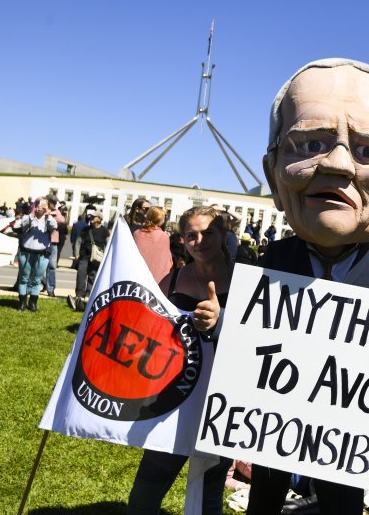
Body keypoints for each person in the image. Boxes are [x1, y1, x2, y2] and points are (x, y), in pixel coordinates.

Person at [239, 58, 369, 515]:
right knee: (266, 497)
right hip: (274, 421)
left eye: (368, 151)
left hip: (347, 430)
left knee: (342, 503)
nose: (338, 164)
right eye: (311, 144)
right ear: (272, 171)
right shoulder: (275, 259)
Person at [127, 206, 232, 515]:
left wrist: (221, 320)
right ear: (183, 240)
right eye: (191, 235)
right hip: (175, 396)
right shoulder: (171, 282)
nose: (200, 241)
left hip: (221, 403)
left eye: (208, 233)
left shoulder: (247, 282)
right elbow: (148, 331)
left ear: (224, 234)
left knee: (208, 493)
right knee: (147, 488)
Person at [11, 197, 56, 311]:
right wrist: (32, 214)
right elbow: (16, 226)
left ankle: (33, 303)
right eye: (39, 205)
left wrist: (48, 214)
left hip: (42, 253)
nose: (41, 207)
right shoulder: (28, 217)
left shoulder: (48, 219)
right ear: (35, 206)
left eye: (44, 205)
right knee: (23, 279)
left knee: (37, 279)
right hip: (26, 252)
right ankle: (22, 303)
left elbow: (54, 227)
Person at [67, 212, 109, 310]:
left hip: (96, 259)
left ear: (99, 219)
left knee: (92, 276)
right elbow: (78, 242)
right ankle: (78, 296)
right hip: (84, 257)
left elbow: (108, 243)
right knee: (81, 276)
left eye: (94, 217)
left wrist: (106, 256)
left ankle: (88, 295)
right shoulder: (85, 229)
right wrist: (76, 253)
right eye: (91, 216)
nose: (91, 218)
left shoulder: (104, 231)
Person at [133, 206, 173, 283]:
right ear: (161, 220)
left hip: (137, 277)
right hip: (157, 280)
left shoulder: (136, 233)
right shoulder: (164, 236)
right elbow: (165, 261)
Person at [44, 196, 66, 297]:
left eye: (54, 202)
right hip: (42, 242)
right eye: (51, 202)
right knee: (38, 265)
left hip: (53, 242)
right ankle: (43, 283)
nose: (53, 204)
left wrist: (52, 214)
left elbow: (62, 220)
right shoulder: (43, 209)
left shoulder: (56, 212)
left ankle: (50, 289)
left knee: (52, 266)